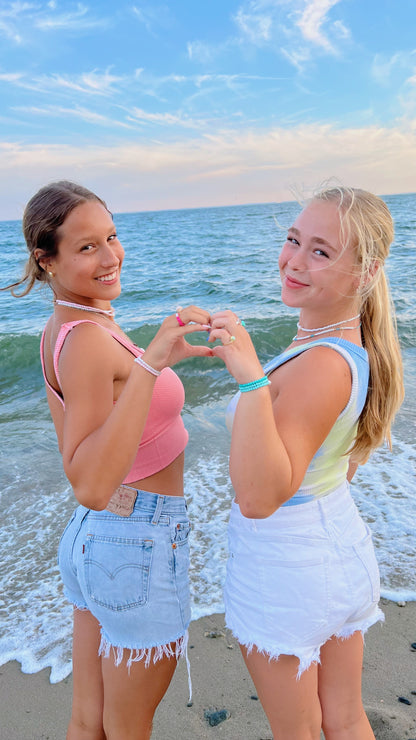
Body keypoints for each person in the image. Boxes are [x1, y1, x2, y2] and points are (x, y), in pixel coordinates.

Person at [5, 180, 212, 740]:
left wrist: (156, 361)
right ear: (45, 261)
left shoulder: (75, 325)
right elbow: (89, 481)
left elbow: (97, 433)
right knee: (125, 727)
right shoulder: (89, 338)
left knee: (89, 721)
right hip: (133, 540)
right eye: (87, 246)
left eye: (112, 236)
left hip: (101, 541)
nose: (111, 256)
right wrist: (151, 367)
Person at [208, 186, 404, 740]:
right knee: (344, 720)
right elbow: (338, 464)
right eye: (294, 240)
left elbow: (259, 497)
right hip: (334, 543)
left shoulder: (320, 363)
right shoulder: (348, 348)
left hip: (286, 566)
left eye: (321, 251)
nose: (294, 260)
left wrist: (249, 377)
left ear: (365, 273)